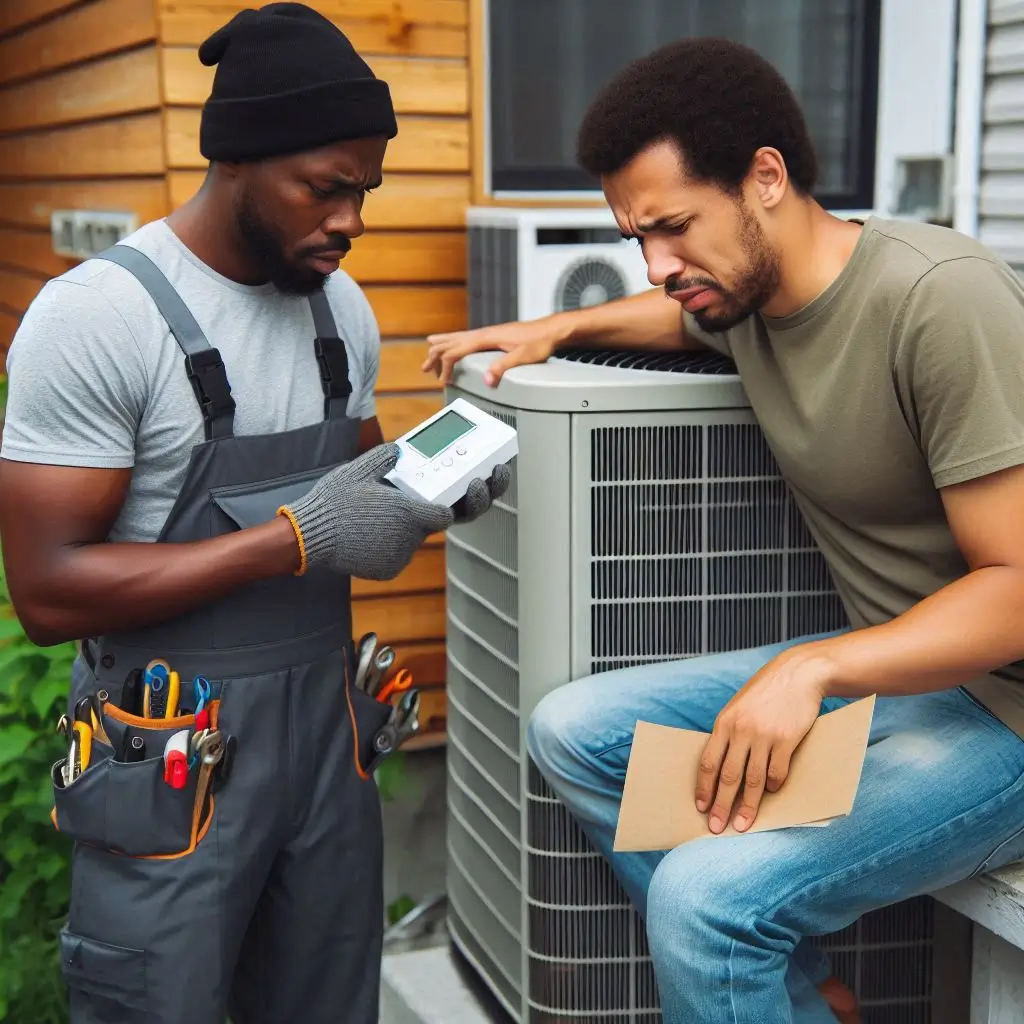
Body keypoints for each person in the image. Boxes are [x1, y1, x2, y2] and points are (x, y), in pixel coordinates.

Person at [423, 37, 1024, 1024]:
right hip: (905, 679)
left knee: (705, 901)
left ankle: (738, 950)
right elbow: (674, 320)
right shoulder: (746, 292)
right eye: (636, 240)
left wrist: (814, 671)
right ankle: (794, 1000)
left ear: (766, 177)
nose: (659, 266)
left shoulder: (937, 299)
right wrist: (555, 329)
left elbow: (1014, 592)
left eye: (672, 227)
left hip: (1001, 712)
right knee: (572, 730)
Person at [0, 5, 507, 1022]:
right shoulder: (103, 315)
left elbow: (357, 495)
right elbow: (49, 591)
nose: (351, 220)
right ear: (237, 163)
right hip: (172, 738)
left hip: (327, 733)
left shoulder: (340, 313)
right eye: (326, 188)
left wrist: (430, 490)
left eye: (364, 189)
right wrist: (293, 541)